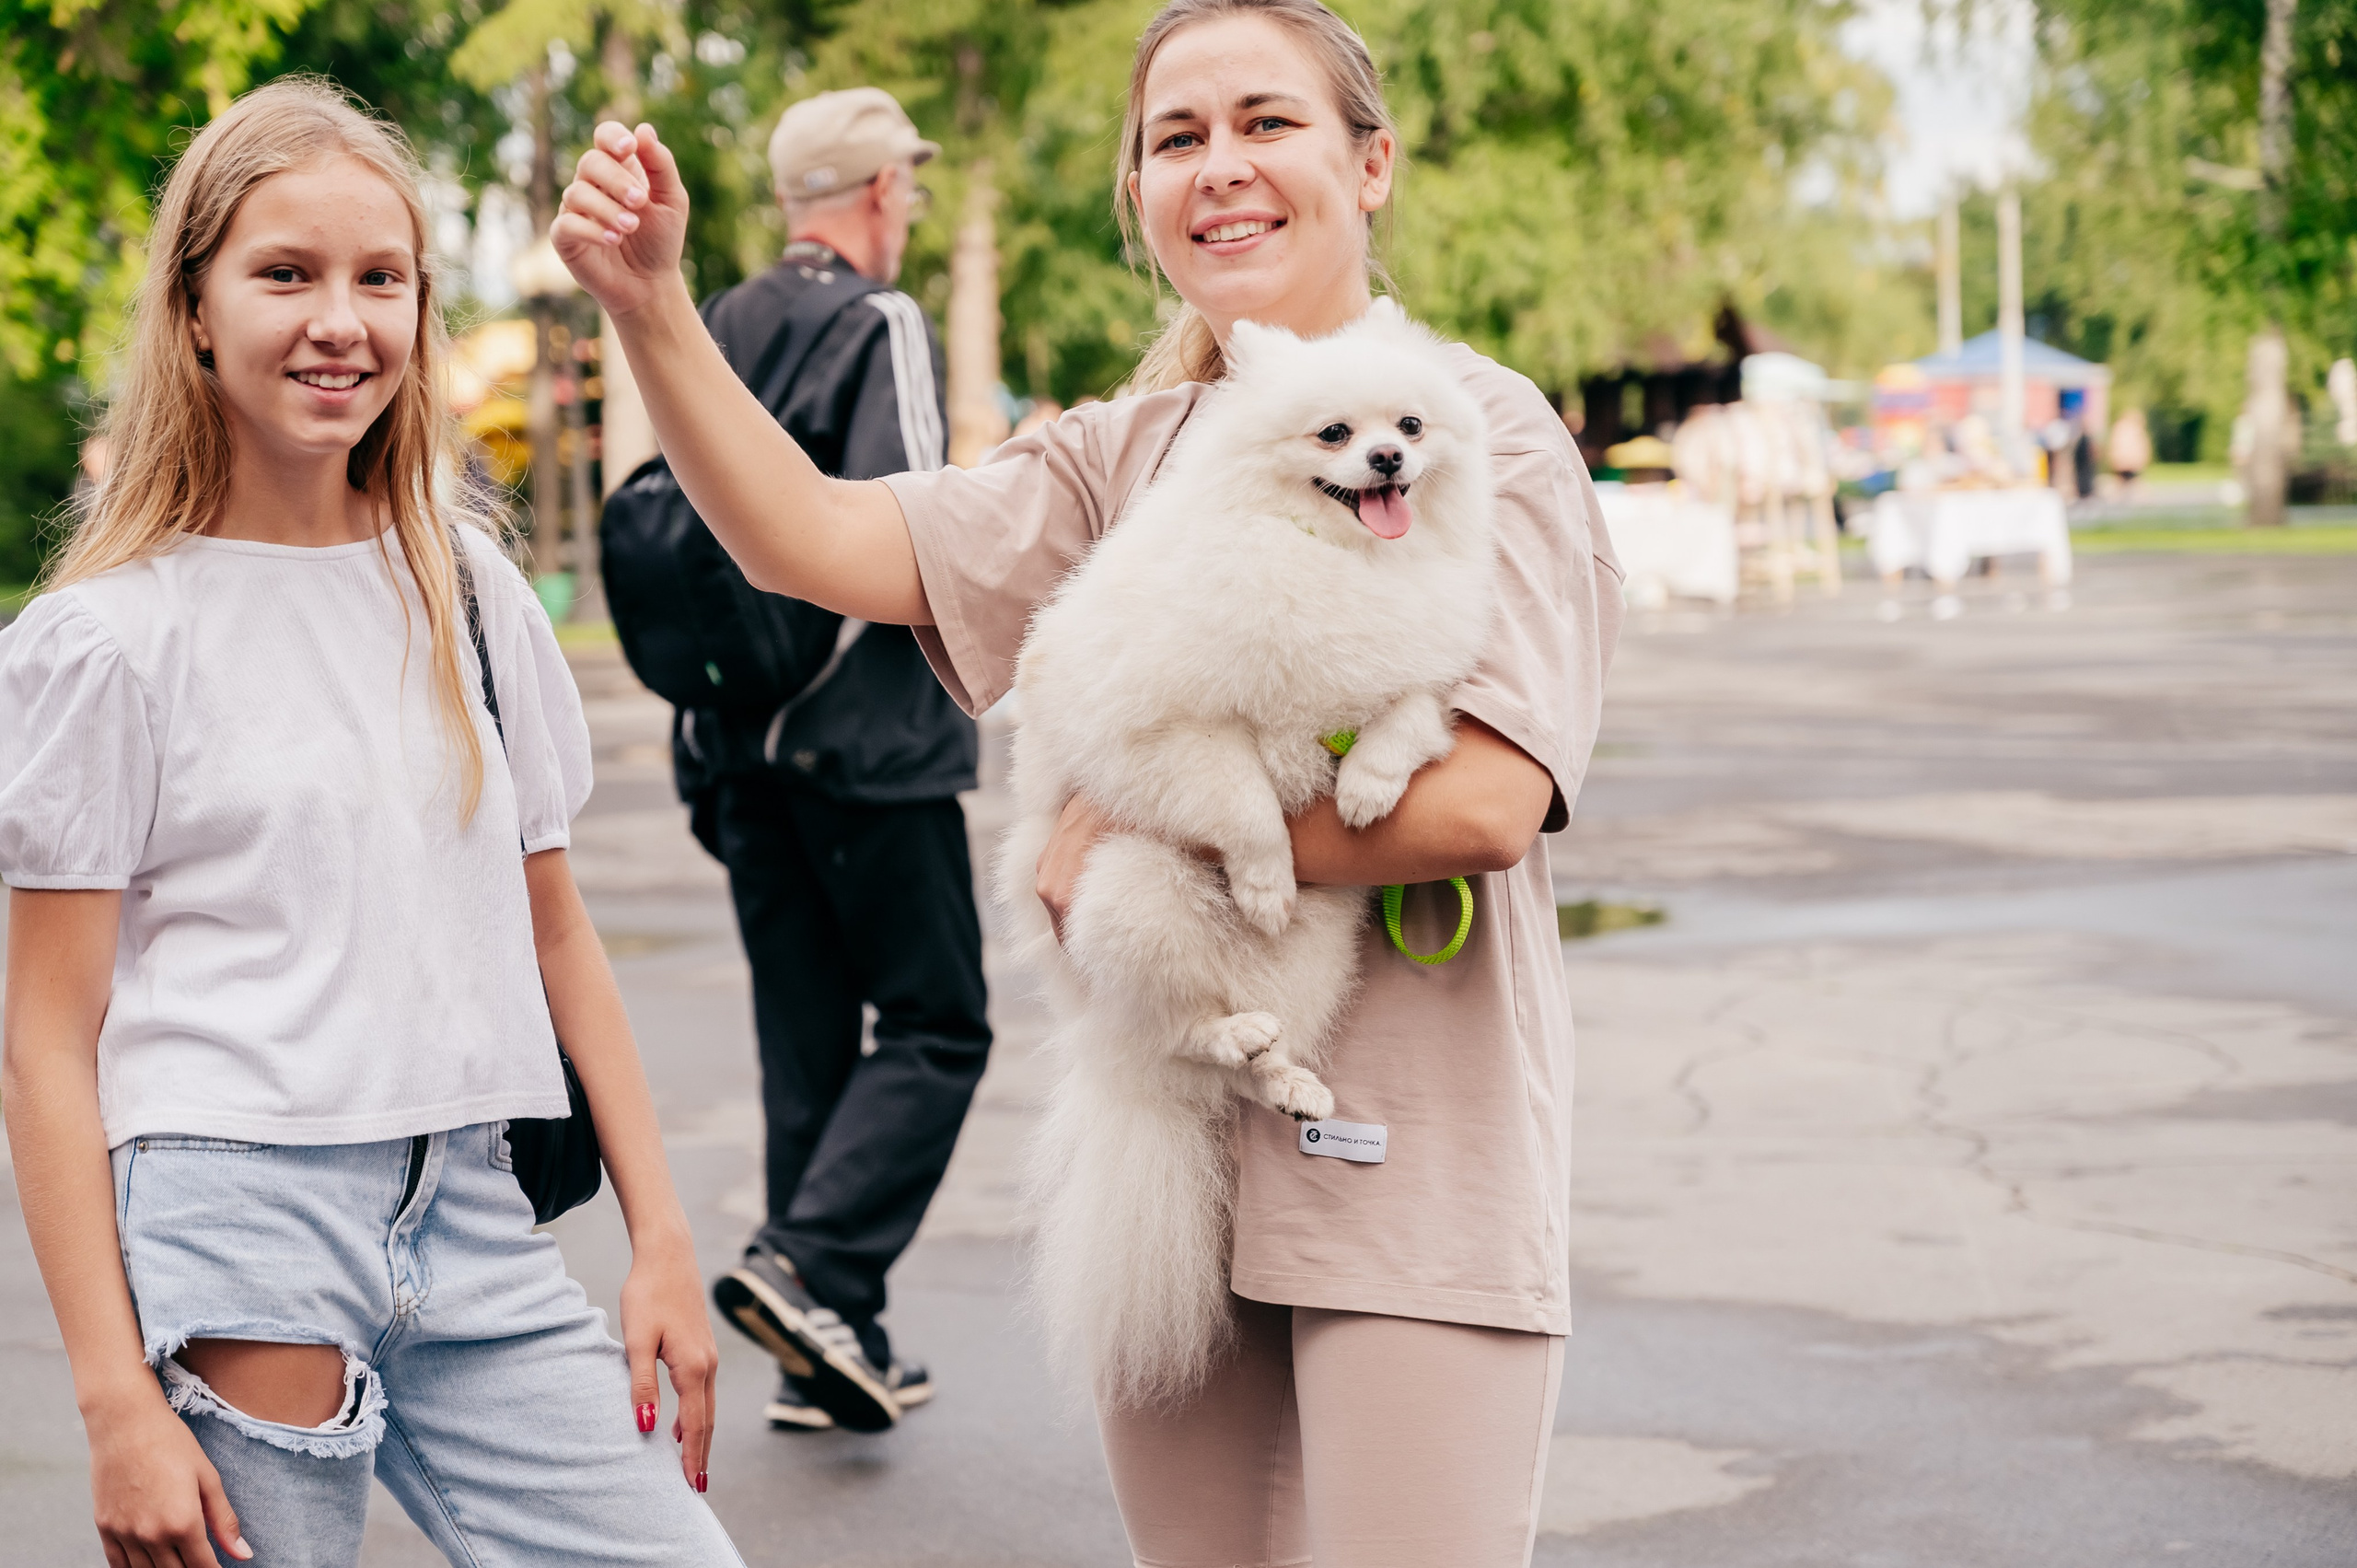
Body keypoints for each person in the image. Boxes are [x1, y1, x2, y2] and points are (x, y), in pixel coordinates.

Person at [557, 0, 1620, 1561]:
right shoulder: (1119, 455)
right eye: (1177, 138)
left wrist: (1139, 807)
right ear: (1139, 193)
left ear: (1372, 163)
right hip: (1169, 1166)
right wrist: (653, 309)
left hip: (1408, 1179)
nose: (1220, 166)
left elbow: (1480, 805)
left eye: (1267, 122)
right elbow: (809, 538)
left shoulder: (1475, 432)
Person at [0, 80, 739, 1568]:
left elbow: (556, 932)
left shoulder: (467, 591)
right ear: (195, 311)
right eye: (286, 274)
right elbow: (44, 1038)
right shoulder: (109, 640)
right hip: (236, 1210)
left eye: (380, 280)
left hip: (470, 1206)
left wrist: (661, 1238)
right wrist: (113, 1400)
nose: (340, 322)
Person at [682, 86, 990, 1436]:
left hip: (739, 751)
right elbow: (908, 525)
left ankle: (827, 1341)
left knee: (805, 1042)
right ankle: (812, 1268)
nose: (908, 205)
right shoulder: (882, 321)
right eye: (906, 184)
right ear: (878, 191)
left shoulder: (719, 322)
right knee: (937, 1022)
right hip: (869, 746)